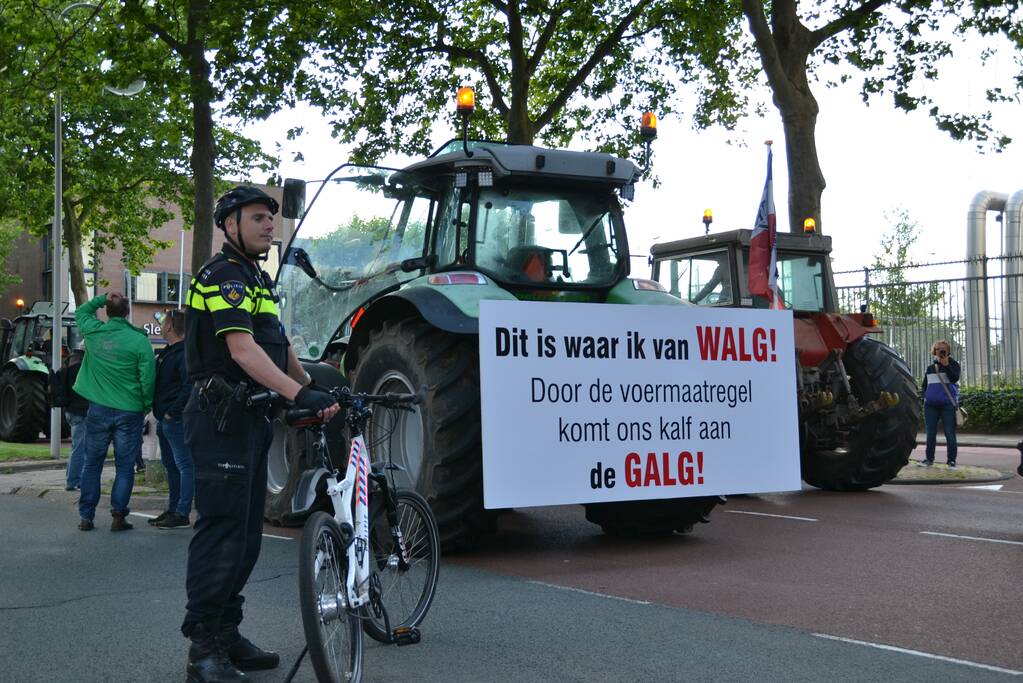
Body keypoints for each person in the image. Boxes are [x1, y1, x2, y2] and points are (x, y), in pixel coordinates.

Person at [180, 186, 340, 682]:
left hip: (247, 418)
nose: (269, 225)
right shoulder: (223, 275)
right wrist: (296, 394)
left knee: (247, 536)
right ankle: (203, 650)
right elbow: (242, 351)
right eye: (257, 217)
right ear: (229, 225)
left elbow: (277, 344)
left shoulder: (255, 277)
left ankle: (227, 634)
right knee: (223, 532)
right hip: (218, 418)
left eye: (271, 217)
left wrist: (314, 388)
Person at [74, 292, 156, 531]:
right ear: (128, 313)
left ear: (107, 312)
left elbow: (81, 312)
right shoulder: (139, 341)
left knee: (92, 463)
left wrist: (101, 299)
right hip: (129, 410)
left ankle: (86, 516)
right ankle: (118, 516)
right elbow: (148, 379)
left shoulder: (93, 332)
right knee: (125, 464)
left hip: (98, 408)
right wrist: (146, 404)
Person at [149, 309, 193, 529]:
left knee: (184, 465)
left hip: (174, 419)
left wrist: (171, 412)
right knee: (171, 465)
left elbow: (188, 386)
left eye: (164, 321)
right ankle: (173, 508)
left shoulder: (183, 353)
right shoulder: (169, 352)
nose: (161, 324)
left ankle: (182, 512)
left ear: (171, 327)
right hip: (166, 418)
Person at [51, 344, 89, 490]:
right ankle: (73, 481)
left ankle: (71, 478)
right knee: (80, 447)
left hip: (70, 410)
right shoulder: (82, 365)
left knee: (76, 446)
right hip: (81, 410)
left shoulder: (69, 362)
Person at [921, 339, 961, 468]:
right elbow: (924, 385)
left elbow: (954, 378)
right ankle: (929, 459)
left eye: (944, 349)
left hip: (948, 405)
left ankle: (951, 461)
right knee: (930, 433)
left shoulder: (954, 364)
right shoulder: (931, 368)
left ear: (948, 351)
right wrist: (925, 397)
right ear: (935, 351)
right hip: (931, 405)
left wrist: (947, 365)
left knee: (949, 433)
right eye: (938, 349)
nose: (941, 351)